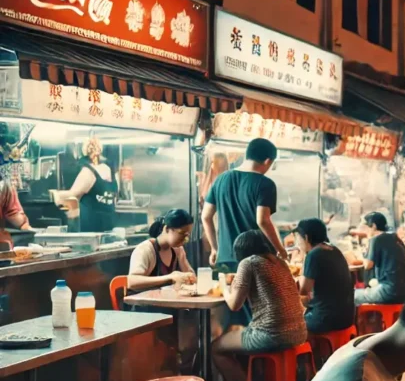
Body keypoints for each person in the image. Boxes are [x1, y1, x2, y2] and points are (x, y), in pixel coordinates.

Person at [213, 230, 308, 381]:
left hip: (271, 335)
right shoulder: (279, 262)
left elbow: (234, 304)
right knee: (234, 329)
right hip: (299, 332)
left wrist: (224, 286)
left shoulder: (249, 263)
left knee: (216, 347)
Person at [201, 138, 285, 270]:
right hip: (255, 258)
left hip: (225, 258)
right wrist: (280, 249)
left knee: (231, 290)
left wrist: (215, 248)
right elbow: (263, 220)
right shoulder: (265, 184)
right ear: (268, 161)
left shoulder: (220, 180)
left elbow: (205, 216)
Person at [294, 218, 355, 335]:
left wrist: (304, 257)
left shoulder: (313, 255)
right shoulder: (334, 250)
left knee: (293, 323)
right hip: (347, 317)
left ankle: (316, 352)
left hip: (327, 320)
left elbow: (303, 290)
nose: (298, 244)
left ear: (306, 238)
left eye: (298, 239)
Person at [53, 136, 117, 232]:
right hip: (109, 226)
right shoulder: (109, 170)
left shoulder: (88, 172)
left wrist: (55, 194)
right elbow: (114, 198)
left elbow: (72, 194)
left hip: (90, 227)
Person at [126, 209, 196, 291]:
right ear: (166, 229)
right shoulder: (145, 249)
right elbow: (131, 282)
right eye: (182, 233)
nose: (186, 239)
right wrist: (170, 277)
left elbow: (191, 275)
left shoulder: (178, 250)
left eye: (187, 235)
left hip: (163, 301)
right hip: (142, 302)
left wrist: (189, 277)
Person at [356, 212, 405, 306]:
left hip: (388, 291)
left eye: (364, 226)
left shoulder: (375, 239)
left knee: (354, 295)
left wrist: (366, 246)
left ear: (373, 226)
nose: (361, 229)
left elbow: (367, 265)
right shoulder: (395, 237)